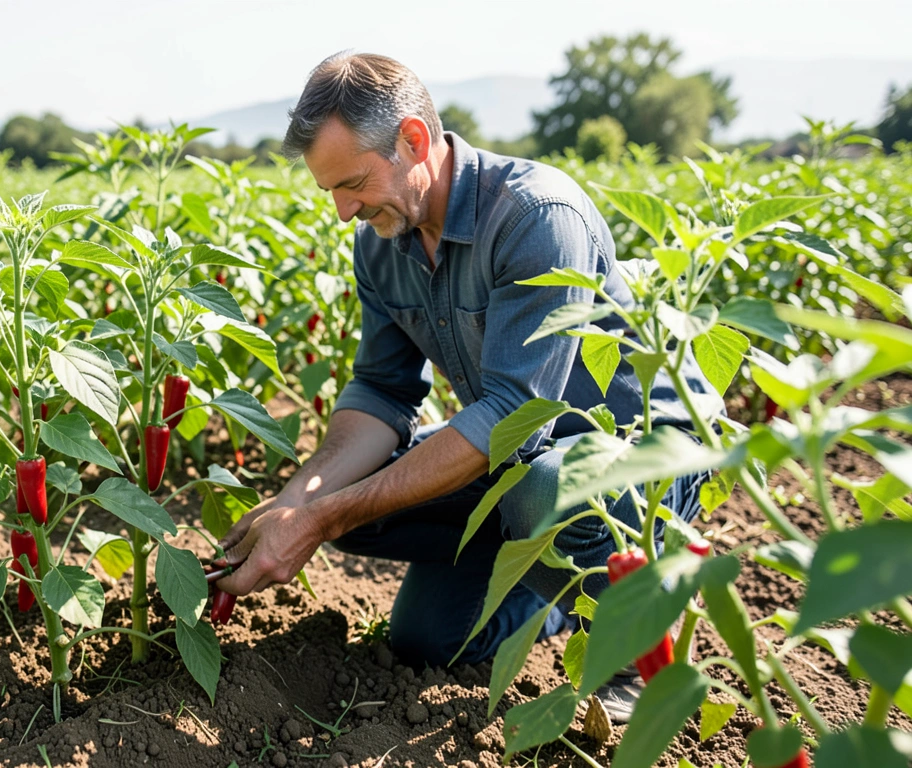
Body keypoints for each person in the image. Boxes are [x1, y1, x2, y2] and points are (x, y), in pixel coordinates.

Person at [212, 51, 712, 722]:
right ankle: (546, 579)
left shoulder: (536, 216)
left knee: (543, 489)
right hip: (519, 464)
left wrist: (324, 516)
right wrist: (296, 500)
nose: (341, 211)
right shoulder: (381, 242)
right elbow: (382, 392)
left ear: (413, 140)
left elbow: (514, 414)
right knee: (425, 636)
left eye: (353, 181)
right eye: (329, 189)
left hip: (634, 461)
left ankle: (638, 644)